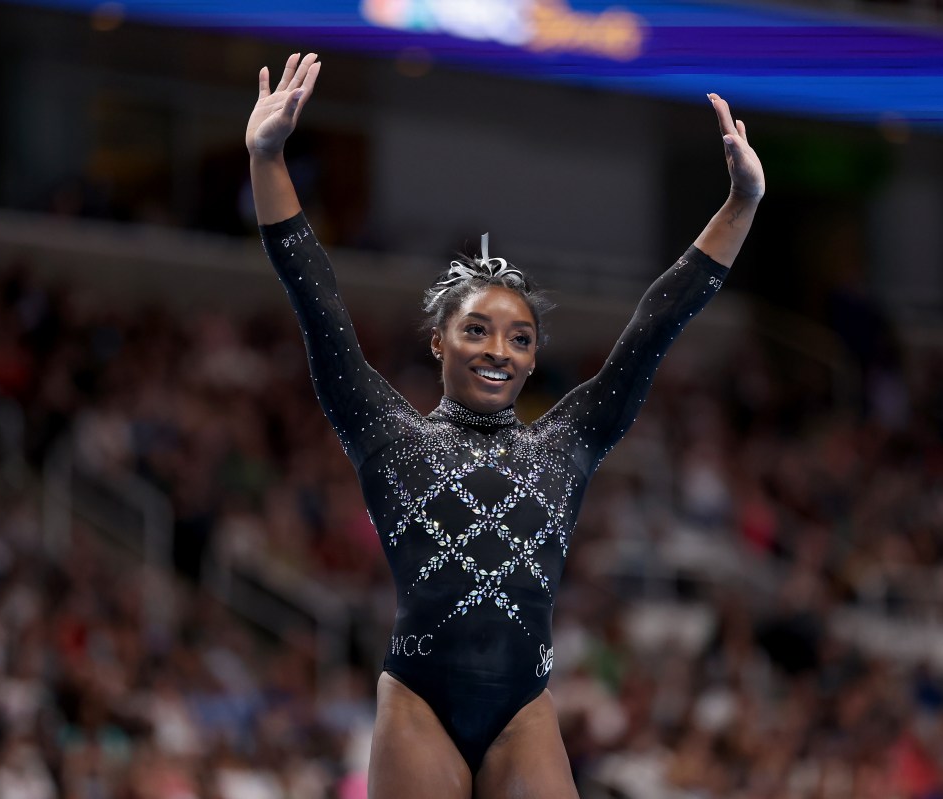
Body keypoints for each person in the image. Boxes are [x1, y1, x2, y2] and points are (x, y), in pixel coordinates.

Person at [246, 52, 764, 799]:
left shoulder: (567, 442)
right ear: (438, 341)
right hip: (420, 702)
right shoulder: (393, 439)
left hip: (523, 708)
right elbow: (316, 299)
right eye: (478, 331)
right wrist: (267, 158)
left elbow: (658, 321)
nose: (499, 351)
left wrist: (741, 205)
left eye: (519, 338)